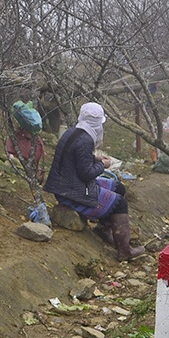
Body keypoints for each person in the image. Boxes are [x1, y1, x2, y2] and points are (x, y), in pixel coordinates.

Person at [46, 102, 145, 261]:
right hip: (73, 192)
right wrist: (102, 165)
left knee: (119, 188)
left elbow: (76, 158)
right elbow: (87, 174)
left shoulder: (72, 132)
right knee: (120, 203)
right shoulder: (85, 140)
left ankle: (104, 229)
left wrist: (95, 158)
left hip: (65, 185)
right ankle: (124, 251)